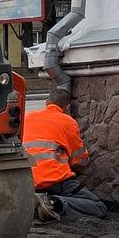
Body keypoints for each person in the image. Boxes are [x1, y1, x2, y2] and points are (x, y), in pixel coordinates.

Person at [23, 88, 108, 220]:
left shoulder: (27, 118)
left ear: (46, 102)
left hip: (28, 180)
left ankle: (36, 201)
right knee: (98, 207)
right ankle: (52, 202)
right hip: (56, 181)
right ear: (67, 107)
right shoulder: (67, 121)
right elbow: (80, 161)